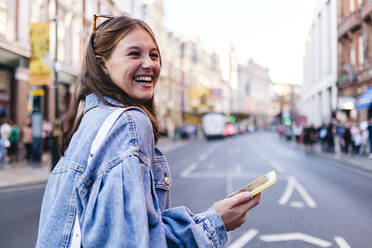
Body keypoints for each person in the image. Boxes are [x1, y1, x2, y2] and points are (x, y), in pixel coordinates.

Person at [36, 15, 260, 247]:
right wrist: (216, 222)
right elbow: (131, 242)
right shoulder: (129, 123)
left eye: (154, 55)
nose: (150, 64)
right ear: (102, 64)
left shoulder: (88, 118)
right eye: (134, 54)